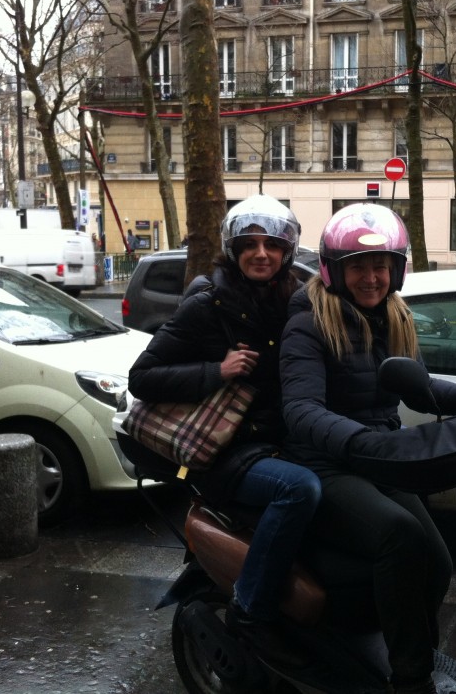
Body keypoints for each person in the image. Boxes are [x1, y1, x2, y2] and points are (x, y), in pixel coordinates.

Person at [280, 203, 456, 694]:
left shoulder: (393, 316)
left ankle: (413, 650)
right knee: (399, 536)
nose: (371, 277)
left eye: (380, 266)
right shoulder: (309, 323)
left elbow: (421, 387)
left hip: (379, 458)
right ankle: (410, 680)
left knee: (438, 563)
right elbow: (300, 409)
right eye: (359, 266)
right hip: (325, 466)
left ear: (396, 269)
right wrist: (359, 440)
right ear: (335, 270)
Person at [127, 194, 321, 648]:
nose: (261, 254)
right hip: (225, 451)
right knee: (299, 490)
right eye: (249, 244)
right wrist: (217, 370)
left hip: (275, 441)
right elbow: (142, 378)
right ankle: (250, 610)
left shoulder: (296, 300)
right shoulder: (208, 304)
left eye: (271, 245)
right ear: (233, 250)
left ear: (286, 252)